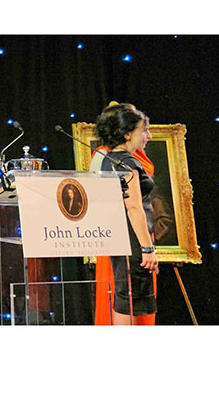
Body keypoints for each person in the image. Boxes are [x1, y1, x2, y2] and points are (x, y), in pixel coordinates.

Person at [94, 104, 159, 324]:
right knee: (130, 300)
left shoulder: (107, 159)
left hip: (121, 239)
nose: (148, 136)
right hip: (133, 241)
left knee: (125, 297)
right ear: (128, 133)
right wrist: (147, 249)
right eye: (144, 131)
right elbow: (133, 207)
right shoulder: (128, 164)